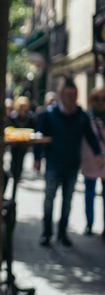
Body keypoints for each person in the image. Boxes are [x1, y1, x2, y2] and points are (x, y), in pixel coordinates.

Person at [34, 79, 103, 247]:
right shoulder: (49, 114)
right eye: (68, 95)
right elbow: (38, 136)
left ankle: (63, 233)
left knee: (67, 201)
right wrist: (37, 158)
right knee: (49, 198)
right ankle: (47, 233)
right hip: (53, 164)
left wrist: (97, 153)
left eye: (74, 95)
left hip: (72, 165)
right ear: (60, 95)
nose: (72, 98)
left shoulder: (81, 115)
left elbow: (90, 136)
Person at [80, 87, 105, 239]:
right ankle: (89, 223)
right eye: (97, 99)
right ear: (91, 100)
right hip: (90, 161)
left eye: (103, 99)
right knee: (89, 194)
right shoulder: (86, 117)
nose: (100, 102)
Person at [6, 96, 37, 191]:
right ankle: (13, 174)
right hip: (14, 143)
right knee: (14, 160)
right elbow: (9, 128)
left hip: (24, 144)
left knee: (21, 161)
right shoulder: (13, 116)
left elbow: (33, 129)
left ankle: (18, 176)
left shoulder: (30, 117)